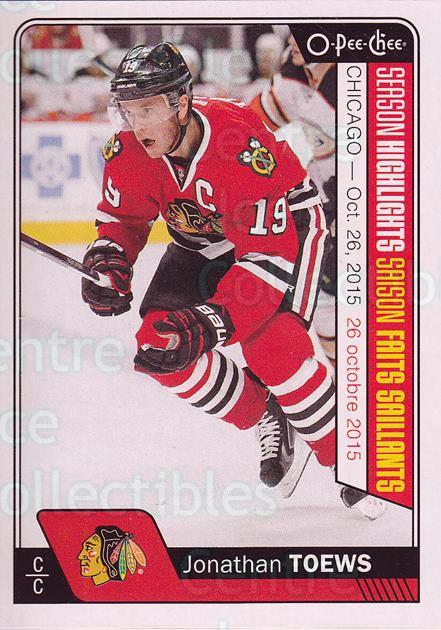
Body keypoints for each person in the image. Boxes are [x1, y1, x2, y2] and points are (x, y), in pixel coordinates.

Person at [81, 42, 384, 519]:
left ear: (181, 103)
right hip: (202, 243)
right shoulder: (128, 148)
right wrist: (110, 261)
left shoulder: (237, 145)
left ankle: (352, 455)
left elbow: (264, 261)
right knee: (160, 345)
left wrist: (210, 323)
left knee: (273, 348)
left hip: (284, 235)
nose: (137, 124)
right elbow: (123, 218)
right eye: (129, 110)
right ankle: (268, 411)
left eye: (148, 109)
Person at [249, 34, 337, 365]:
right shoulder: (295, 74)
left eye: (308, 30)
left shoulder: (358, 81)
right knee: (325, 302)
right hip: (328, 202)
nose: (295, 38)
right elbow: (251, 123)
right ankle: (348, 380)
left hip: (371, 204)